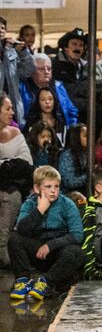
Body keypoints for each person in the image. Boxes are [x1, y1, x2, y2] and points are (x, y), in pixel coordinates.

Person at [8, 165, 84, 302]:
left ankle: (46, 282)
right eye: (48, 187)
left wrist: (50, 245)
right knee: (14, 239)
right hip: (37, 250)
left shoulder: (67, 204)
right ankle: (23, 280)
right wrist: (40, 210)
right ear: (37, 188)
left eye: (56, 186)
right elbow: (21, 229)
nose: (53, 191)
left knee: (76, 252)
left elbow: (77, 235)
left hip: (58, 252)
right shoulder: (29, 203)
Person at [0, 92, 32, 266]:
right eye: (7, 108)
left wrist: (5, 165)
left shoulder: (15, 132)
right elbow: (16, 163)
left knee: (12, 197)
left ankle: (4, 251)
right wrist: (10, 164)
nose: (12, 112)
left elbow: (27, 162)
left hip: (11, 186)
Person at [20, 53, 78, 131]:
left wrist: (70, 131)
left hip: (60, 132)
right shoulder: (23, 88)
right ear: (32, 71)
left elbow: (72, 111)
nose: (46, 72)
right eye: (41, 69)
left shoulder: (58, 86)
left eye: (49, 69)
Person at [0, 17, 36, 126]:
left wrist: (23, 53)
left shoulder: (10, 52)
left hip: (12, 108)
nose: (1, 30)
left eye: (3, 28)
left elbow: (28, 71)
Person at [79, 168, 102, 280]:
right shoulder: (91, 211)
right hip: (101, 253)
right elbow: (87, 240)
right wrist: (90, 270)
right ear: (99, 188)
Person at [57, 123, 89, 196]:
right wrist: (90, 175)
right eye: (86, 136)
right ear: (76, 137)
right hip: (69, 197)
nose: (90, 138)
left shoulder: (89, 153)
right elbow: (69, 182)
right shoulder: (67, 156)